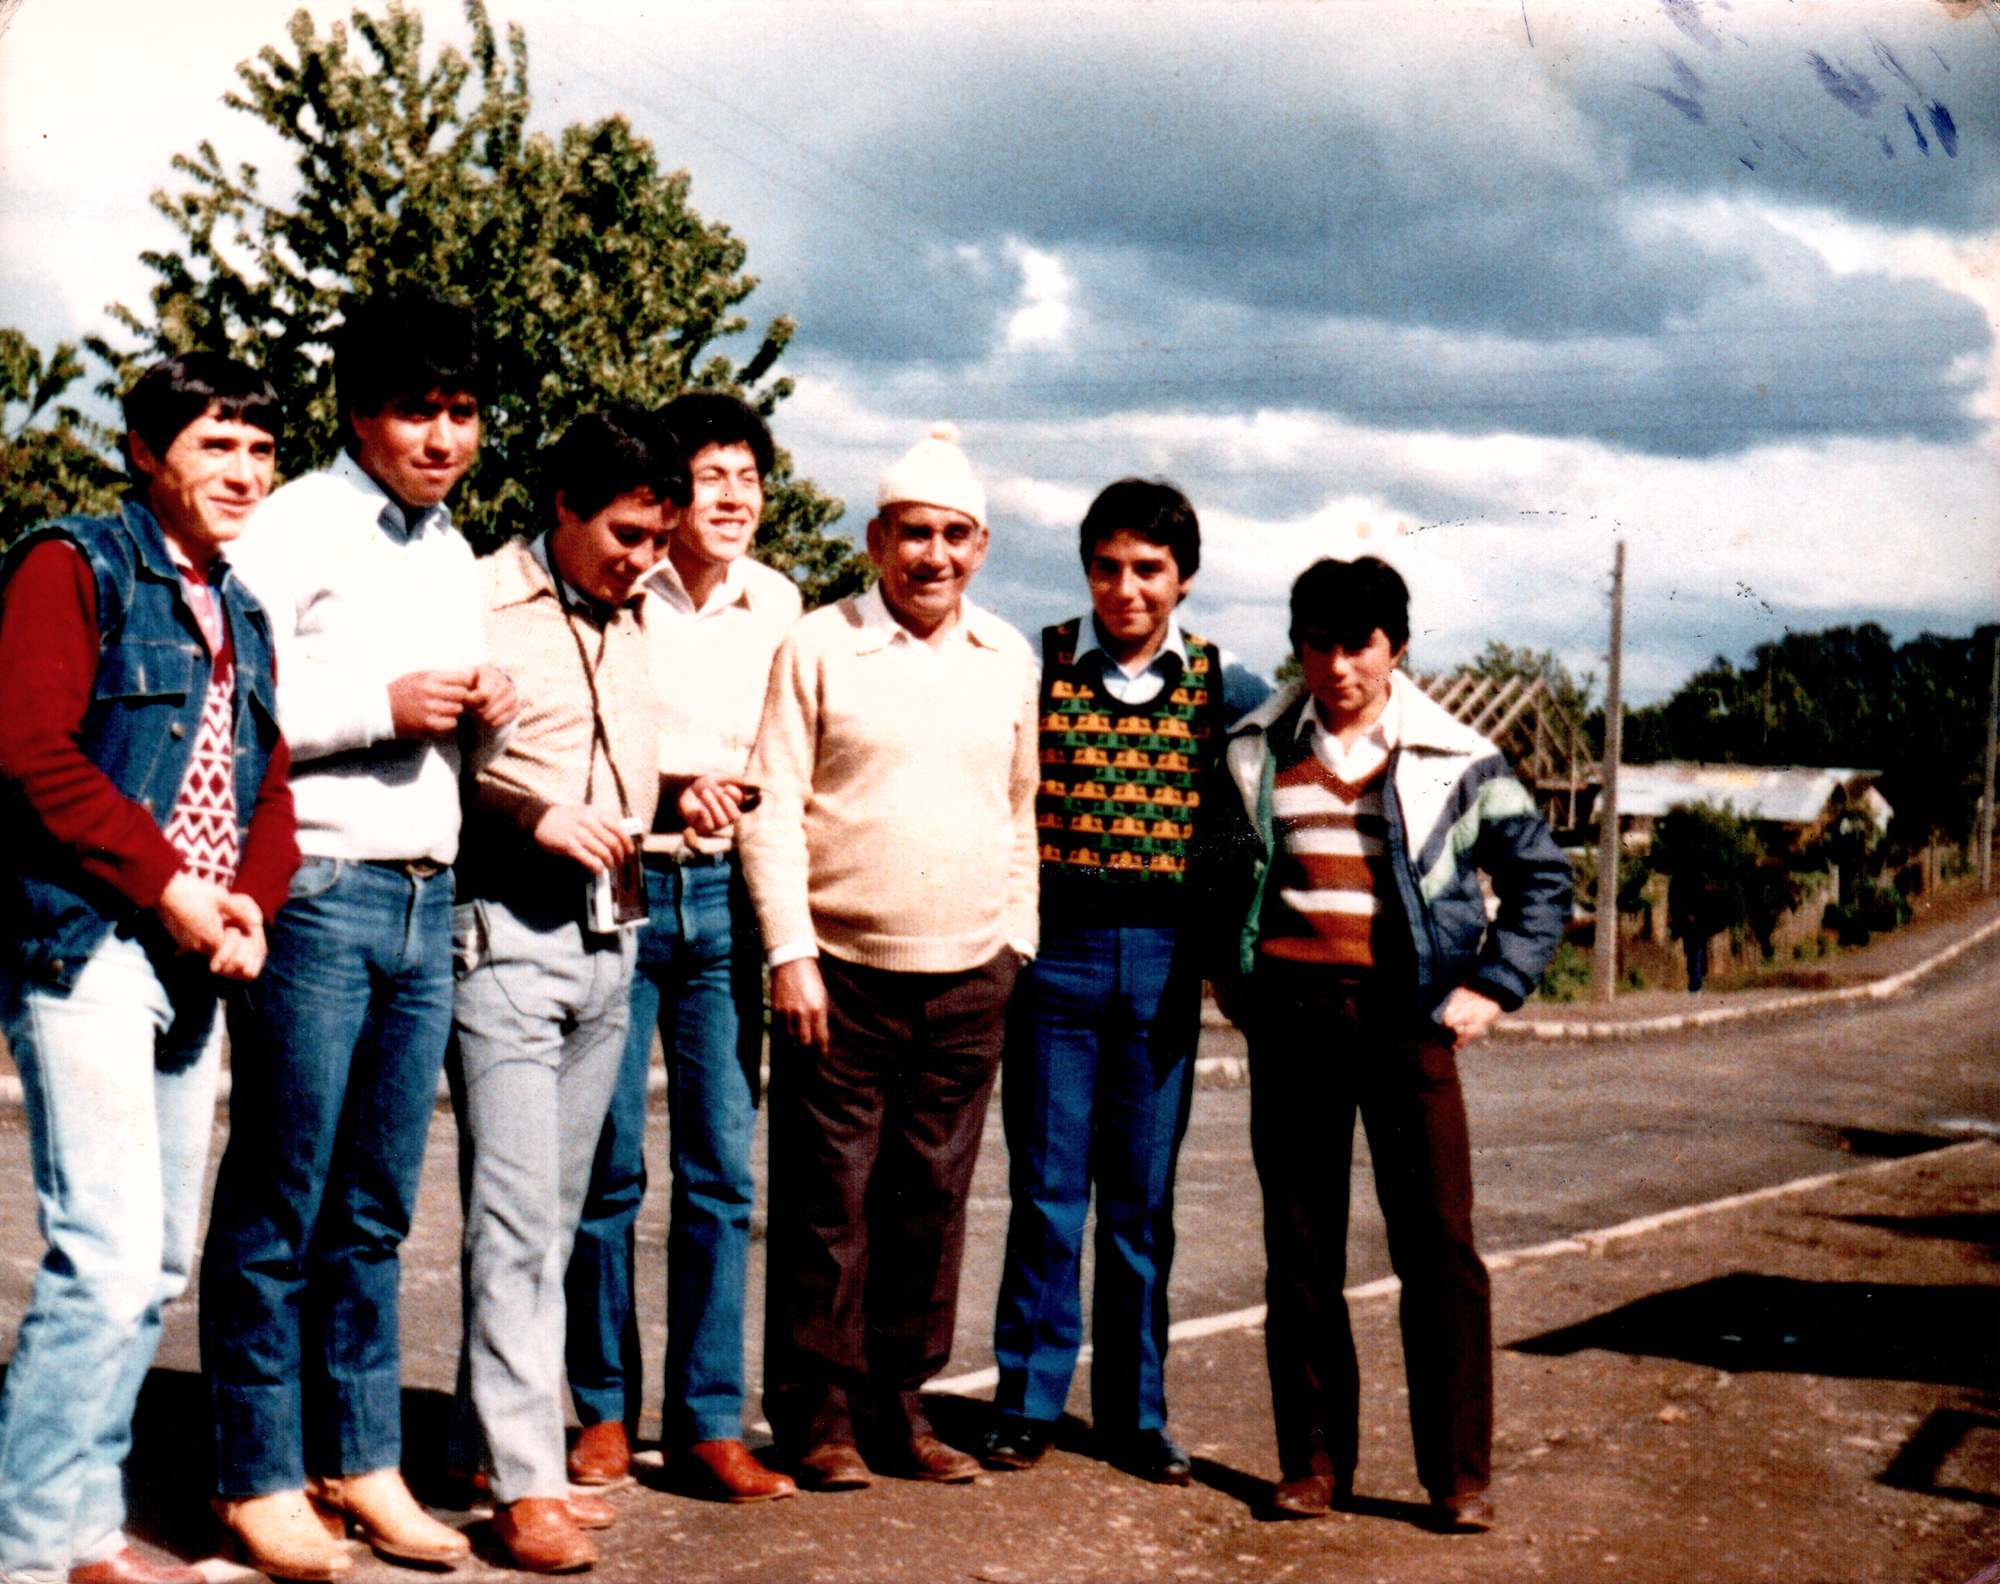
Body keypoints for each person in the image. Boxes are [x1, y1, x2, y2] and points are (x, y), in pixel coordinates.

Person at [201, 289, 514, 1581]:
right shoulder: (295, 524)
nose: (441, 437)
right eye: (415, 410)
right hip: (322, 885)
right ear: (357, 412)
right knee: (284, 1194)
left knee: (375, 1208)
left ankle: (360, 1459)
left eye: (460, 413)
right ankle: (257, 1475)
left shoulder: (450, 547)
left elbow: (454, 729)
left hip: (427, 892)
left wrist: (484, 707)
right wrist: (375, 707)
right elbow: (236, 701)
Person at [0, 354, 298, 1584]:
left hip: (192, 955)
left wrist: (250, 907)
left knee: (157, 1261)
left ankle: (82, 1528)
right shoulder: (73, 564)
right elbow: (32, 751)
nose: (242, 471)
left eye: (259, 451)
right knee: (106, 1255)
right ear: (143, 450)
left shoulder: (242, 606)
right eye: (214, 444)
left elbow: (268, 787)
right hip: (91, 943)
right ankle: (22, 1547)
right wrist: (172, 887)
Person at [1207, 556, 1569, 1533]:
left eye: (1357, 644)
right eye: (1316, 643)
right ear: (1297, 646)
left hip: (1407, 1025)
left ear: (1395, 647)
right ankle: (1312, 1467)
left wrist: (1490, 988)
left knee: (1438, 1249)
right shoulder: (1253, 748)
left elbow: (1540, 881)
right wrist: (1234, 984)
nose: (1336, 666)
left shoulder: (1454, 757)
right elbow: (1217, 876)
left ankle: (1458, 1479)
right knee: (1299, 1252)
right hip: (1293, 1025)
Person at [738, 423, 1038, 1490]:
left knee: (931, 1201)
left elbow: (1019, 814)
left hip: (967, 975)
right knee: (828, 1204)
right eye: (914, 533)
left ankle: (900, 1407)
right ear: (875, 538)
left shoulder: (1009, 657)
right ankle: (814, 1418)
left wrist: (1014, 945)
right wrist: (789, 950)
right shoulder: (818, 644)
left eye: (956, 535)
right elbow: (767, 809)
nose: (934, 555)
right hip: (841, 976)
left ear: (982, 544)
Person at [447, 406, 684, 1574]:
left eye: (658, 540)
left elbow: (605, 761)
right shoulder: (477, 600)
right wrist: (537, 818)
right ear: (562, 508)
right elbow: (433, 777)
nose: (644, 561)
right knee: (513, 1214)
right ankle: (526, 1484)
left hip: (611, 946)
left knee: (552, 1212)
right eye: (628, 535)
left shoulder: (636, 616)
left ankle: (491, 1444)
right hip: (503, 936)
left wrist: (684, 794)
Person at [563, 395, 800, 1502]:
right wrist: (669, 788)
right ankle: (601, 1410)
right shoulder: (622, 589)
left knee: (721, 1169)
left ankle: (708, 1419)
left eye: (749, 477)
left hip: (726, 905)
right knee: (608, 1168)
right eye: (713, 477)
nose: (736, 498)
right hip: (622, 887)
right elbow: (586, 737)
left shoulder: (779, 604)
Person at [985, 480, 1226, 1483]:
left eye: (1147, 570)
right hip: (1060, 955)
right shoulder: (1036, 667)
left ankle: (1135, 1414)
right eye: (1106, 566)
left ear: (1181, 578)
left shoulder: (1221, 686)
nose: (1124, 589)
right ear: (1084, 567)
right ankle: (1027, 1400)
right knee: (1046, 1195)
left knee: (1139, 1201)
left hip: (1164, 965)